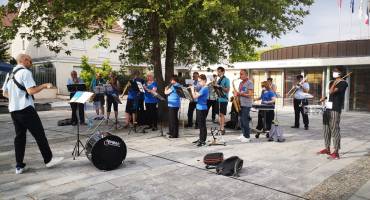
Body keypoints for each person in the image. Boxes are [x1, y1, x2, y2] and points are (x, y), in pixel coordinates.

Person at [2, 54, 63, 174]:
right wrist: (45, 85)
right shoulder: (25, 72)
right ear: (24, 60)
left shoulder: (10, 74)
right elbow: (31, 90)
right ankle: (49, 160)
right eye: (30, 61)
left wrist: (15, 99)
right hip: (26, 109)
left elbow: (4, 93)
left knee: (20, 137)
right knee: (39, 134)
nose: (31, 63)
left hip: (14, 110)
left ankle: (19, 166)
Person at [317, 66, 348, 160]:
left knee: (335, 129)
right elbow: (329, 94)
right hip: (327, 107)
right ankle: (327, 148)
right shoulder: (331, 82)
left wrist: (335, 83)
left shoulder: (343, 83)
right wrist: (324, 98)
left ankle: (336, 152)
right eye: (333, 71)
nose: (333, 72)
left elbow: (332, 91)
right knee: (326, 129)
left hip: (335, 108)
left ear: (341, 73)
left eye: (336, 71)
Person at [234, 69, 254, 143]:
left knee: (245, 120)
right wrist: (236, 94)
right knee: (241, 120)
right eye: (240, 74)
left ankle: (247, 136)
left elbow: (250, 95)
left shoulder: (250, 83)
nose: (240, 75)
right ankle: (243, 134)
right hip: (240, 103)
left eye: (242, 74)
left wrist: (239, 94)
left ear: (246, 75)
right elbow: (240, 92)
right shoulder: (241, 83)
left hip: (246, 104)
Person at [191, 74, 209, 147]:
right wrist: (194, 90)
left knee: (202, 125)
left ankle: (202, 140)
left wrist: (192, 90)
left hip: (202, 108)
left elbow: (195, 96)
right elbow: (197, 94)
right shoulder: (202, 87)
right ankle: (200, 138)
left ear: (204, 80)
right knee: (200, 124)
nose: (198, 83)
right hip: (199, 107)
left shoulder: (205, 88)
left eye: (200, 81)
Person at [216, 67, 230, 135]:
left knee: (222, 114)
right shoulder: (219, 80)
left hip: (224, 99)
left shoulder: (226, 79)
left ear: (223, 72)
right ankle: (220, 127)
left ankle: (222, 128)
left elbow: (227, 90)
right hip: (218, 99)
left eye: (219, 72)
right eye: (217, 72)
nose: (218, 73)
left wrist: (220, 87)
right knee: (219, 114)